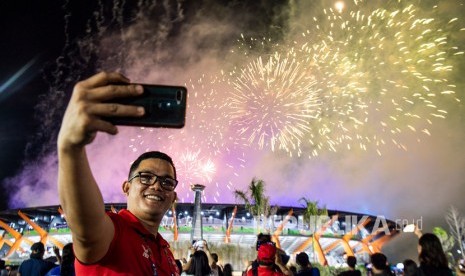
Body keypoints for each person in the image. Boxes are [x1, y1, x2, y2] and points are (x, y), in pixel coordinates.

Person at [57, 72, 179, 275]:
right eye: (146, 177)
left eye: (167, 182)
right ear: (127, 187)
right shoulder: (112, 232)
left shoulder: (165, 250)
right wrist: (70, 148)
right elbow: (86, 229)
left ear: (173, 197)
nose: (156, 186)